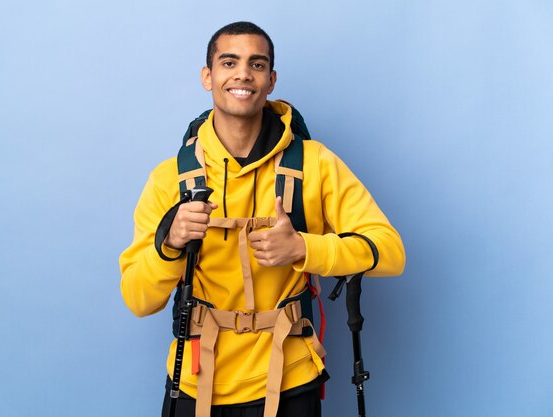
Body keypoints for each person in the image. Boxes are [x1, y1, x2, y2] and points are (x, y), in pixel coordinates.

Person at [120, 21, 405, 417]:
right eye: (229, 62)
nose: (242, 74)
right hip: (195, 380)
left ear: (271, 80)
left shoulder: (314, 163)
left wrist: (303, 247)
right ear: (208, 76)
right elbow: (138, 298)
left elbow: (390, 252)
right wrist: (169, 245)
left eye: (257, 65)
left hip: (291, 378)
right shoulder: (170, 178)